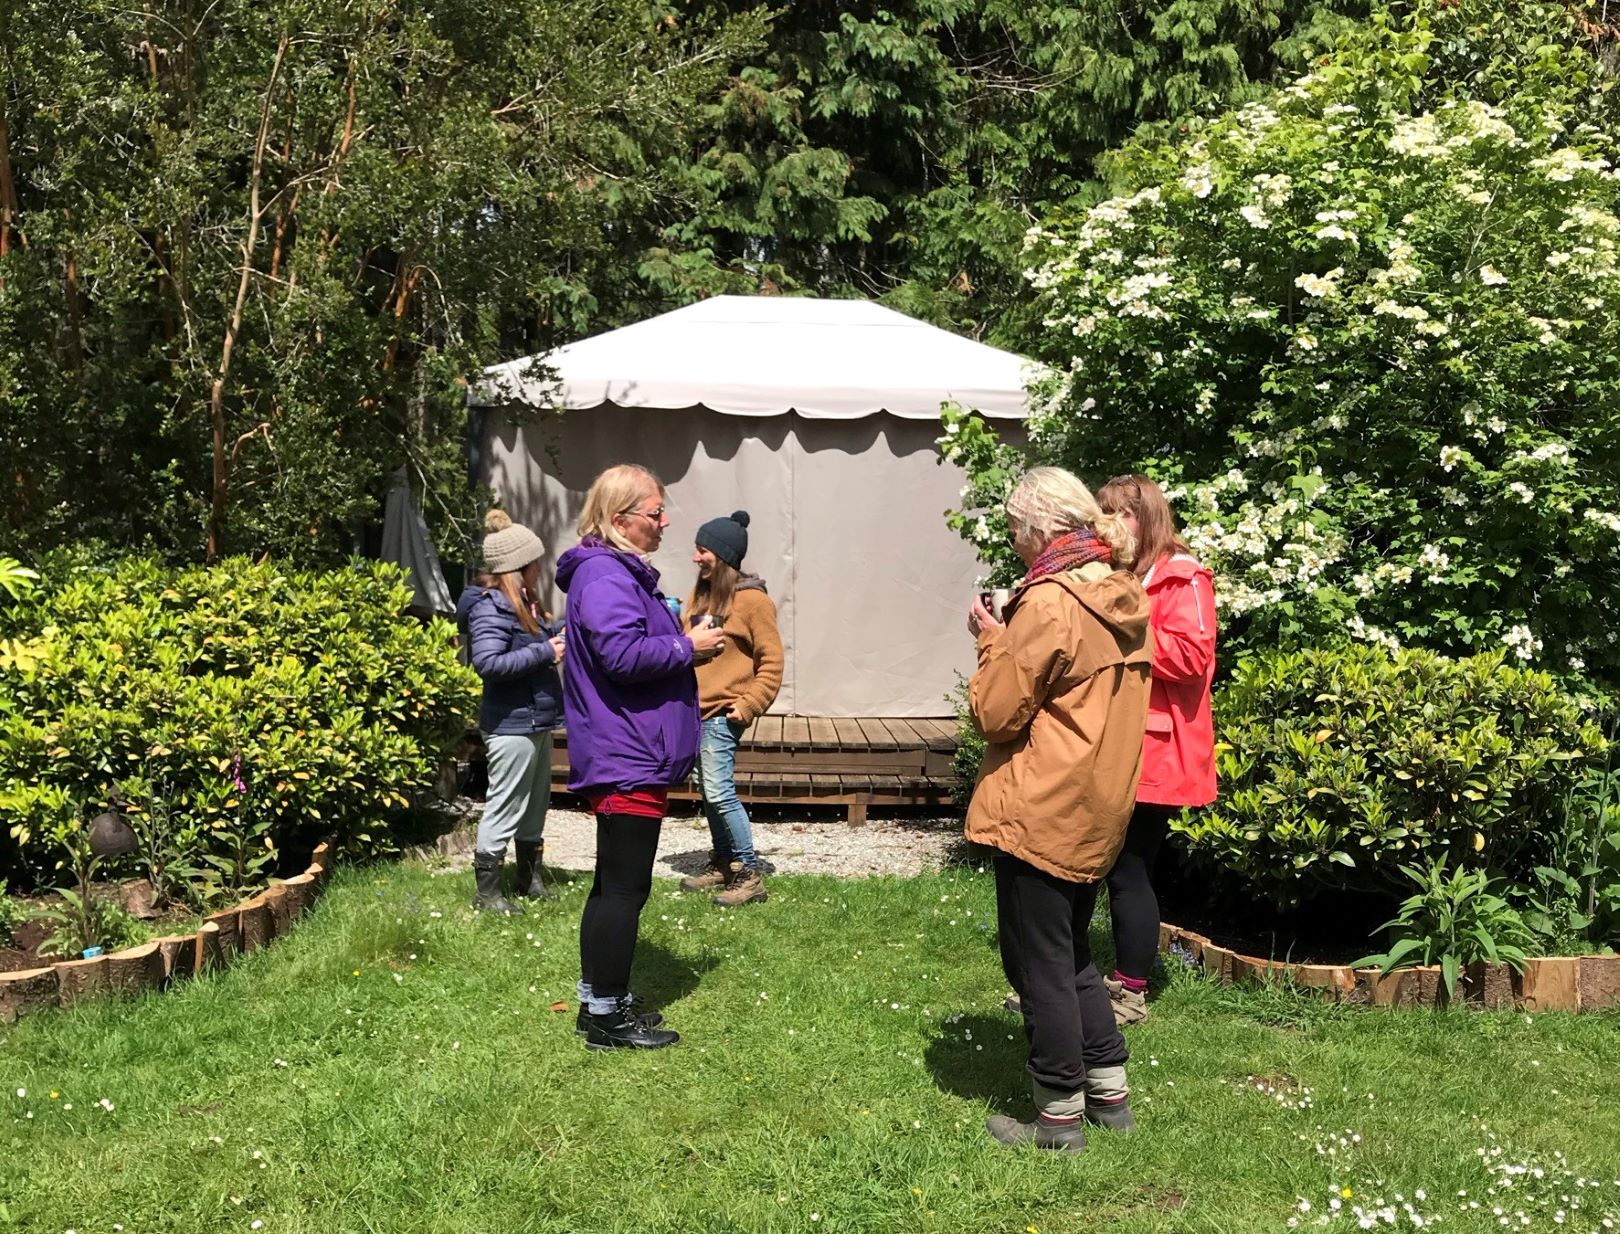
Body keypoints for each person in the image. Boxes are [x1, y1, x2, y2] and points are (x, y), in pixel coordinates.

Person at [964, 466, 1153, 1154]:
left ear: (1040, 527)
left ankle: (1057, 1119)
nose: (1014, 541)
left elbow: (995, 713)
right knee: (1071, 955)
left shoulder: (1048, 601)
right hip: (1096, 804)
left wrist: (992, 639)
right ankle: (1108, 1094)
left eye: (1015, 528)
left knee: (1037, 965)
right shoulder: (1124, 593)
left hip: (1041, 806)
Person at [556, 464, 728, 1050]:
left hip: (628, 747)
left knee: (613, 884)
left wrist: (681, 645)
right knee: (624, 889)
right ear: (619, 517)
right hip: (626, 752)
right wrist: (687, 646)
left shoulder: (611, 570)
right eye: (655, 512)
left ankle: (599, 1002)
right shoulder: (605, 574)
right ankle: (606, 1018)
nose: (665, 521)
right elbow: (623, 656)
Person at [1095, 474, 1217, 1026]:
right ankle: (1069, 983)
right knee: (1086, 862)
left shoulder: (1184, 576)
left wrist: (1122, 627)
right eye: (1104, 512)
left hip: (1155, 749)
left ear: (1147, 518)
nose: (1110, 523)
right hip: (1111, 740)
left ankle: (1129, 991)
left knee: (1129, 868)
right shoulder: (1118, 573)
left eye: (1120, 512)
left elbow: (1192, 658)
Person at [455, 509, 566, 915]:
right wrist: (545, 651)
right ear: (520, 567)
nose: (540, 569)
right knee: (504, 805)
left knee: (534, 804)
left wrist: (561, 632)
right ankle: (486, 894)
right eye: (536, 563)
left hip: (535, 719)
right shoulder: (492, 608)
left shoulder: (523, 604)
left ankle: (527, 879)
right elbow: (487, 663)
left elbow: (527, 644)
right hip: (511, 724)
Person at [677, 511, 784, 907]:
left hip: (725, 714)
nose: (695, 558)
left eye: (702, 550)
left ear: (722, 555)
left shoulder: (754, 602)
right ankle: (724, 861)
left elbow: (772, 661)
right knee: (709, 792)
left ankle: (748, 874)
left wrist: (749, 704)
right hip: (696, 712)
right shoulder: (699, 598)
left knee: (720, 793)